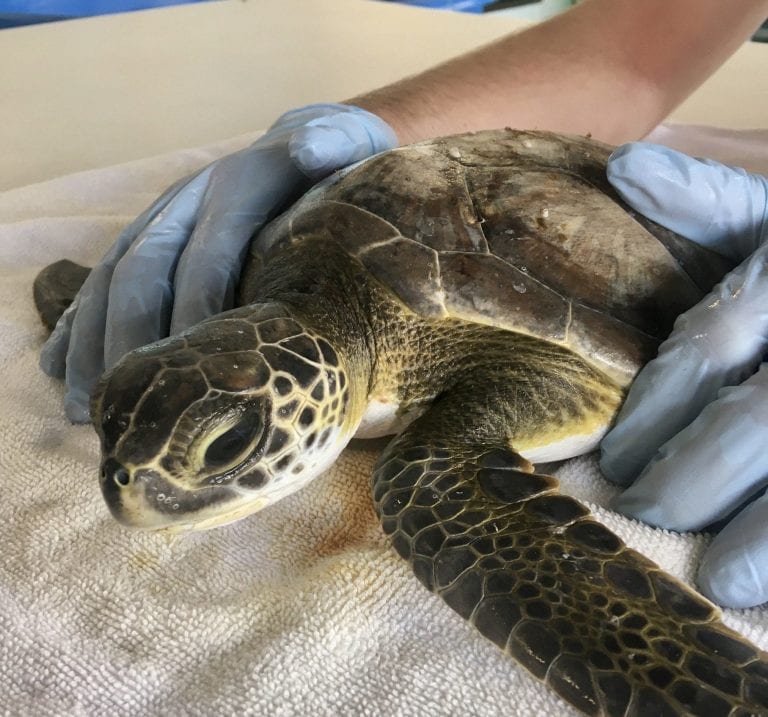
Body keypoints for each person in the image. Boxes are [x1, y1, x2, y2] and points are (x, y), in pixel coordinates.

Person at [41, 0, 768, 607]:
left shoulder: (454, 415)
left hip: (700, 225)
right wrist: (385, 124)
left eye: (228, 442)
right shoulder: (268, 269)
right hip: (545, 166)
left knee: (426, 484)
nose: (131, 486)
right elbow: (637, 50)